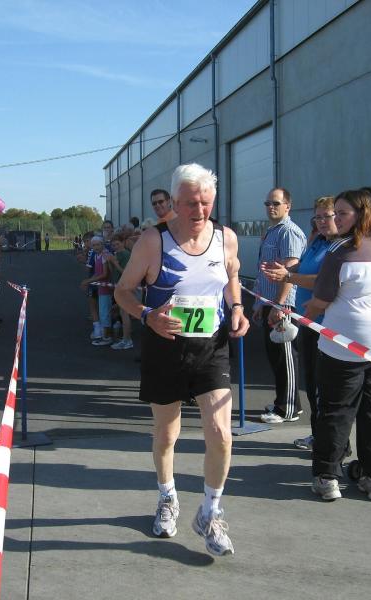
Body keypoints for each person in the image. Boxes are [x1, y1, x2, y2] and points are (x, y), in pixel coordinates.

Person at [114, 163, 249, 557]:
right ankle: (167, 496)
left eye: (206, 202)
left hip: (211, 347)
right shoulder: (153, 241)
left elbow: (232, 277)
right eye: (191, 203)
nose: (200, 210)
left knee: (221, 434)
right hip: (165, 346)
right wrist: (147, 316)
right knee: (167, 433)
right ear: (174, 202)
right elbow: (123, 291)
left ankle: (210, 512)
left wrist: (237, 308)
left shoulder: (225, 238)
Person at [305, 189, 371, 502]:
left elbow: (321, 299)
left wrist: (304, 317)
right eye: (335, 213)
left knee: (336, 408)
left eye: (342, 213)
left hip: (346, 344)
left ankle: (326, 477)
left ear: (362, 214)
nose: (336, 218)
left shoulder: (341, 251)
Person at [261, 196, 338, 450]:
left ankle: (329, 441)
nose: (322, 222)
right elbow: (301, 267)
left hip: (327, 325)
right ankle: (319, 436)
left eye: (328, 216)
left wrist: (287, 280)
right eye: (318, 217)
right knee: (314, 382)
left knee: (325, 387)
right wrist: (288, 272)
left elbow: (323, 281)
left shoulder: (339, 247)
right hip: (310, 322)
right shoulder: (318, 241)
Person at [252, 187, 306, 424]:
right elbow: (264, 271)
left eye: (276, 203)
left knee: (285, 357)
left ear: (287, 206)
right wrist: (259, 302)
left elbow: (290, 273)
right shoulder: (272, 231)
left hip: (282, 305)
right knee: (276, 356)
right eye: (268, 203)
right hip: (269, 302)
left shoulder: (289, 232)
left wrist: (279, 305)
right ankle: (285, 401)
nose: (271, 207)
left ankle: (288, 409)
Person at [80, 235, 113, 346]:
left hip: (106, 287)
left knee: (104, 313)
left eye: (98, 245)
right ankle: (104, 335)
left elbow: (105, 274)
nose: (96, 247)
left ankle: (107, 337)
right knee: (103, 312)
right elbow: (97, 273)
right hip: (100, 288)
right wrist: (88, 281)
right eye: (94, 245)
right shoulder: (97, 255)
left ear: (102, 244)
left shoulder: (104, 255)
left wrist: (89, 281)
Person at [106, 231, 134, 350]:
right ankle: (124, 338)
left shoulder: (126, 254)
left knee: (124, 313)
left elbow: (125, 272)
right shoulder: (117, 254)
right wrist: (109, 262)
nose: (115, 247)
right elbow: (113, 272)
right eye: (113, 245)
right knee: (121, 313)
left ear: (123, 243)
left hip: (125, 286)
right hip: (119, 286)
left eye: (117, 244)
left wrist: (114, 263)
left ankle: (127, 340)